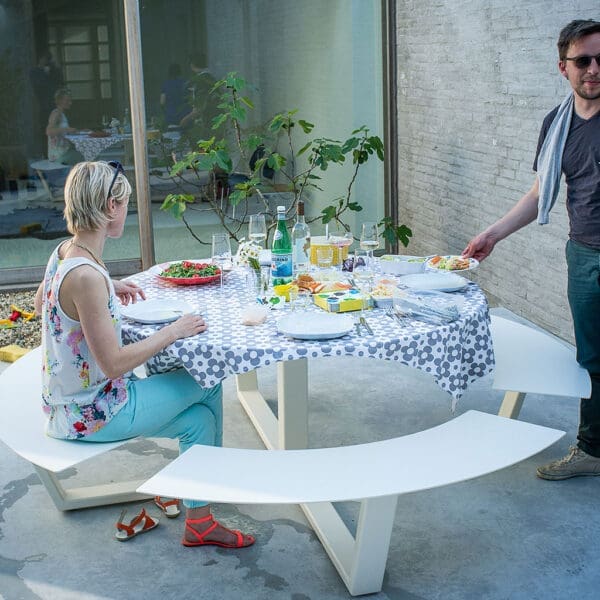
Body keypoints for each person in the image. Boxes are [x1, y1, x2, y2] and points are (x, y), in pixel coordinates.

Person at [34, 161, 255, 548]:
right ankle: (201, 497)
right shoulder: (86, 277)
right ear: (108, 206)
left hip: (64, 405)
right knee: (208, 381)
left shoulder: (67, 252)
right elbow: (114, 363)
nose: (126, 211)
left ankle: (196, 511)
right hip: (93, 413)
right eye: (123, 203)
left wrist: (105, 293)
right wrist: (173, 331)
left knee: (200, 421)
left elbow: (43, 302)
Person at [462, 19, 600, 480]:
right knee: (593, 359)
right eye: (584, 60)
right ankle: (593, 451)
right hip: (584, 255)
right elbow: (541, 193)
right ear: (564, 68)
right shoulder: (557, 126)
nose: (594, 69)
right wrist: (492, 235)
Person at [179, 53, 218, 143]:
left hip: (207, 124)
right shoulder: (211, 78)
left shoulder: (201, 81)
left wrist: (185, 120)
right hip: (215, 122)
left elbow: (199, 108)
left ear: (192, 65)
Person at [45, 88, 83, 165]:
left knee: (82, 153)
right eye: (67, 100)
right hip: (59, 155)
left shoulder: (62, 114)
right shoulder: (56, 113)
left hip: (64, 151)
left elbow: (63, 132)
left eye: (70, 100)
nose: (70, 103)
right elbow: (48, 131)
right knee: (87, 156)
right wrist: (66, 129)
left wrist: (79, 131)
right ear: (59, 101)